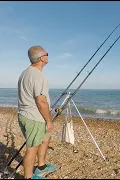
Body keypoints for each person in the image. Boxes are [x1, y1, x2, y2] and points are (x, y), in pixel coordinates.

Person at [17, 45, 57, 179]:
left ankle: (41, 167)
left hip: (25, 115)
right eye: (47, 53)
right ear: (42, 58)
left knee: (45, 138)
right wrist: (49, 120)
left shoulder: (25, 73)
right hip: (34, 118)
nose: (48, 55)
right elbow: (41, 102)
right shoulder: (38, 76)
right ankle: (28, 177)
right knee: (32, 148)